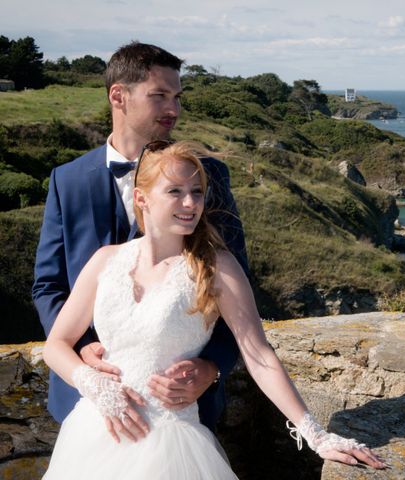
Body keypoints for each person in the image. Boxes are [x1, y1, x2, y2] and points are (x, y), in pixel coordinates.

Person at [42, 141, 385, 478]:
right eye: (175, 191)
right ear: (141, 198)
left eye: (197, 191)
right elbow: (56, 345)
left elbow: (258, 354)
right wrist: (93, 384)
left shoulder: (216, 266)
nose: (190, 202)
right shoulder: (105, 260)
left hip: (169, 445)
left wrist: (315, 434)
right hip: (95, 431)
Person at [32, 41, 246, 440]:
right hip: (87, 405)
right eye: (160, 96)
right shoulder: (67, 180)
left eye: (178, 97)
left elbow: (235, 283)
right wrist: (78, 351)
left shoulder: (208, 176)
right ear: (119, 96)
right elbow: (48, 285)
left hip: (179, 406)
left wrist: (212, 367)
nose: (174, 110)